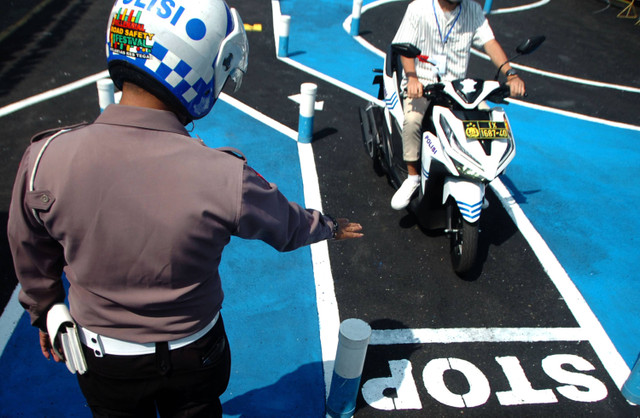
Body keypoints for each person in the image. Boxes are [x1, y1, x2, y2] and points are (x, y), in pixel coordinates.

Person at [7, 0, 363, 416]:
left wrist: (46, 307)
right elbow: (287, 226)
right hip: (196, 352)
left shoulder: (44, 158)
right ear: (197, 68)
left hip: (103, 359)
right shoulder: (224, 175)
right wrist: (329, 226)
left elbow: (28, 245)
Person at [390, 0, 526, 210]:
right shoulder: (418, 8)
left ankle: (481, 177)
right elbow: (404, 49)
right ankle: (413, 177)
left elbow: (490, 42)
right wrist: (412, 78)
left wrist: (511, 74)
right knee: (412, 120)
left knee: (490, 123)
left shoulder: (473, 10)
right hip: (423, 84)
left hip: (457, 87)